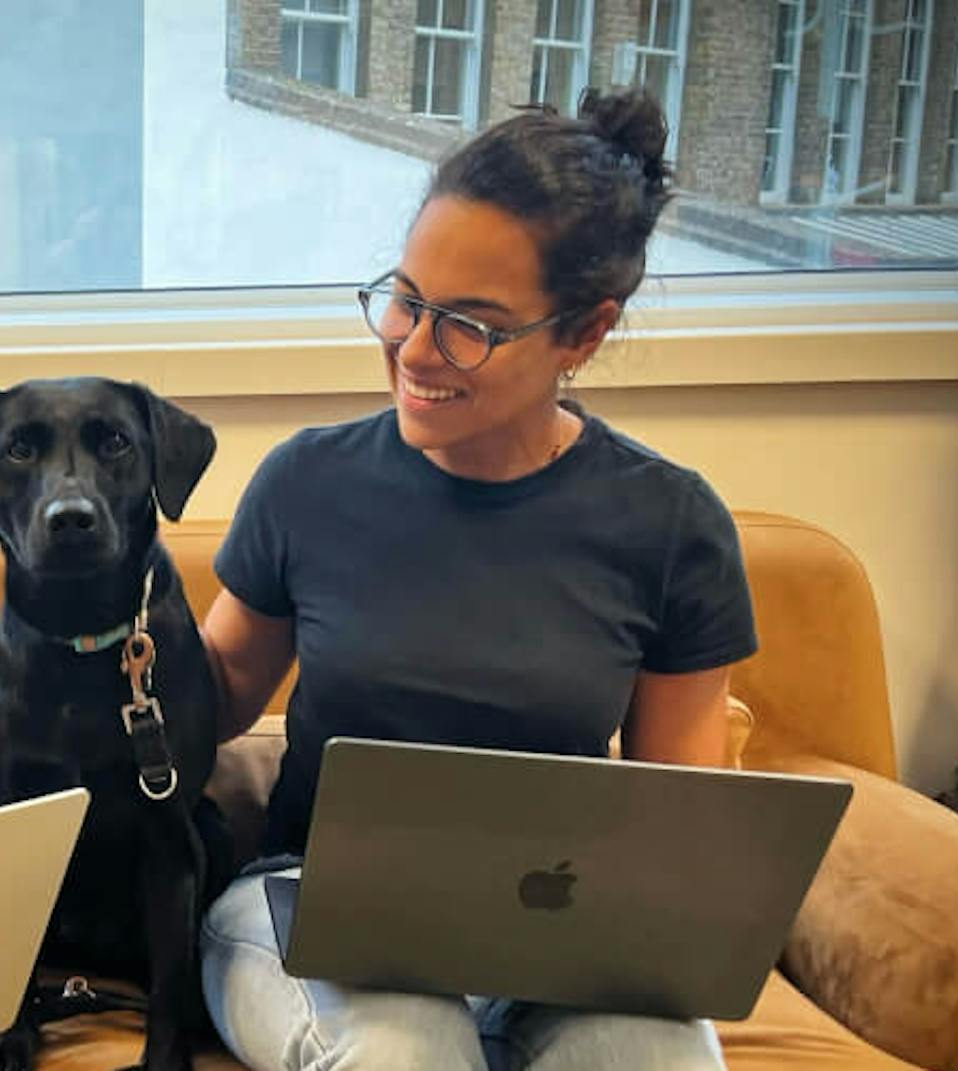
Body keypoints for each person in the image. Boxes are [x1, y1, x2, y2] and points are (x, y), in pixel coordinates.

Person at [196, 87, 753, 1071]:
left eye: (471, 325)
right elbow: (215, 696)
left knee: (661, 1061)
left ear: (584, 333)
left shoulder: (670, 525)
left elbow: (682, 812)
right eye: (406, 298)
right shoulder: (309, 482)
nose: (413, 348)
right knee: (404, 1052)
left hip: (553, 934)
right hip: (310, 902)